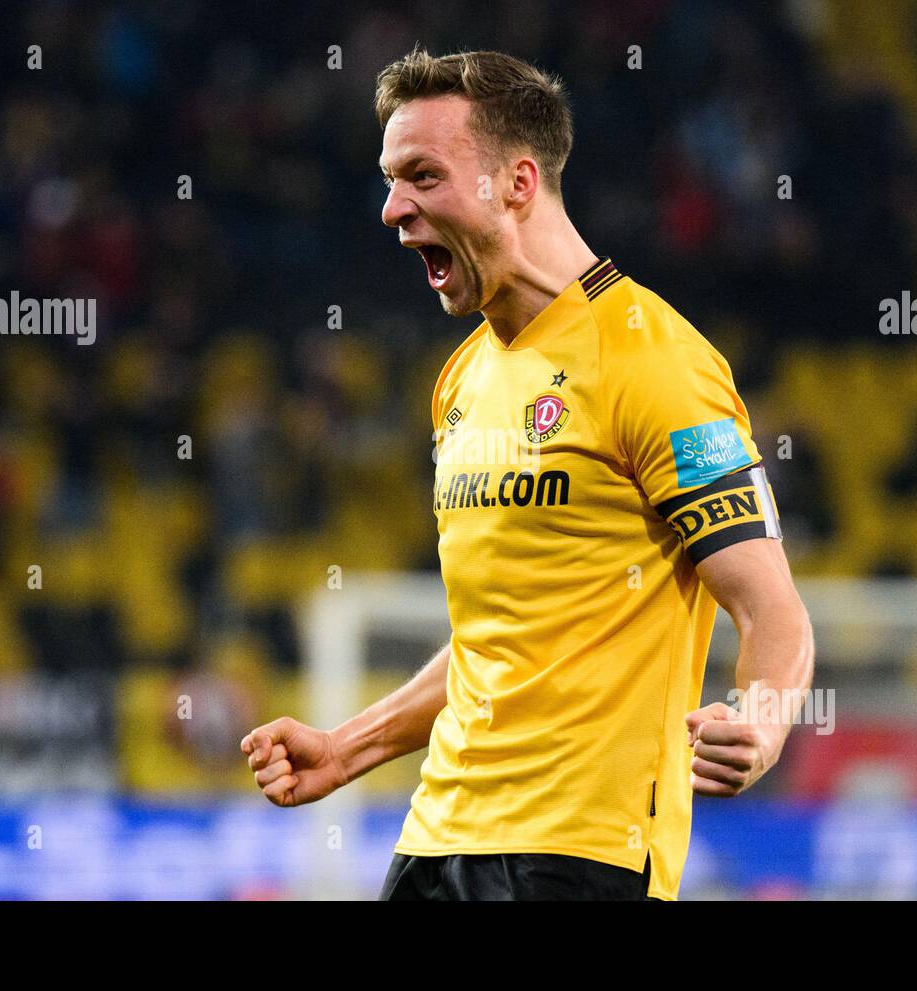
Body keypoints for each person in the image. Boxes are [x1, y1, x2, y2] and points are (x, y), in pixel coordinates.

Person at [242, 47, 814, 901]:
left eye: (422, 177)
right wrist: (349, 746)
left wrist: (762, 720)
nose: (394, 209)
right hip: (440, 836)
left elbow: (772, 607)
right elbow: (495, 645)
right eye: (391, 180)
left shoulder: (658, 363)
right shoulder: (460, 381)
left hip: (582, 852)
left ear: (516, 183)